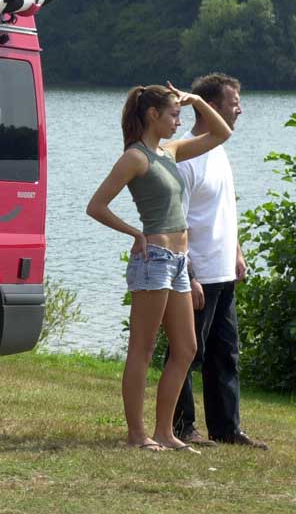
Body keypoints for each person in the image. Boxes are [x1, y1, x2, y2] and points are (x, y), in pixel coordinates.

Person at [86, 83, 232, 451]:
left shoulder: (171, 151)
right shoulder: (136, 158)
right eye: (173, 114)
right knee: (144, 347)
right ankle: (137, 434)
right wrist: (135, 232)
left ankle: (165, 432)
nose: (178, 121)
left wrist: (197, 99)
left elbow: (222, 133)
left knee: (186, 348)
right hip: (154, 261)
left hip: (180, 262)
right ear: (153, 115)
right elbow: (97, 206)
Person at [171, 73, 268, 449]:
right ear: (210, 107)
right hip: (197, 273)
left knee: (225, 353)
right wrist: (189, 274)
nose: (239, 109)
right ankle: (181, 426)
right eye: (233, 103)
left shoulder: (220, 151)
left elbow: (225, 209)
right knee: (187, 352)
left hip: (224, 270)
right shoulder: (184, 156)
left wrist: (238, 252)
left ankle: (227, 429)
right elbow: (174, 222)